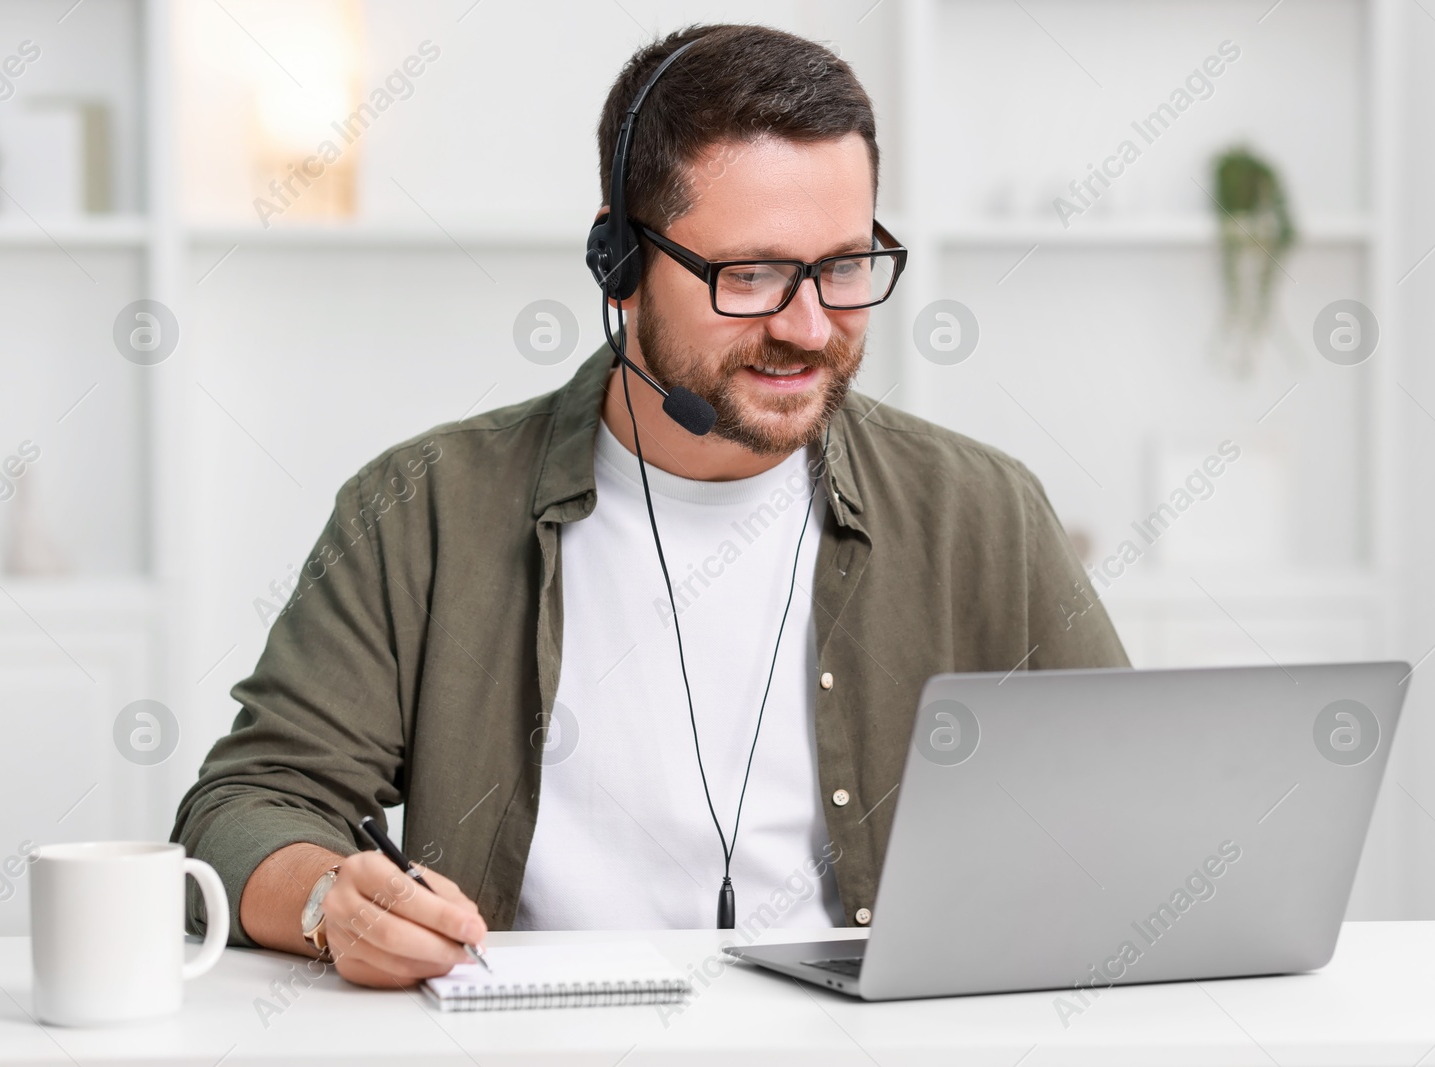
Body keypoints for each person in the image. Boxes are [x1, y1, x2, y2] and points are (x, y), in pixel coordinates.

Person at [172, 22, 1128, 989]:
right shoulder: (422, 507)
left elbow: (1124, 810)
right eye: (749, 275)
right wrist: (325, 902)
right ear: (619, 263)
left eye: (843, 267)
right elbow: (247, 802)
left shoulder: (982, 510)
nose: (808, 328)